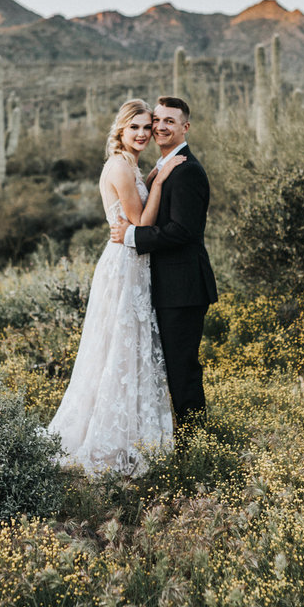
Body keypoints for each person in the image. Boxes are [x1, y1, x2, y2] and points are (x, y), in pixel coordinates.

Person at [47, 99, 186, 475]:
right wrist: (162, 177)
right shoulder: (120, 167)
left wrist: (155, 173)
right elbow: (140, 220)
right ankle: (110, 440)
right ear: (121, 132)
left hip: (132, 261)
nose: (143, 134)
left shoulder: (130, 166)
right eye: (135, 128)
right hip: (125, 264)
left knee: (126, 346)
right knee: (119, 347)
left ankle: (130, 435)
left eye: (147, 127)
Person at [110, 96, 217, 433]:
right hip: (164, 287)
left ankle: (194, 442)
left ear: (185, 127)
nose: (159, 126)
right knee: (168, 367)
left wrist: (132, 236)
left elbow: (182, 231)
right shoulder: (164, 166)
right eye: (157, 120)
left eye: (170, 121)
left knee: (182, 369)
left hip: (183, 289)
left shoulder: (186, 170)